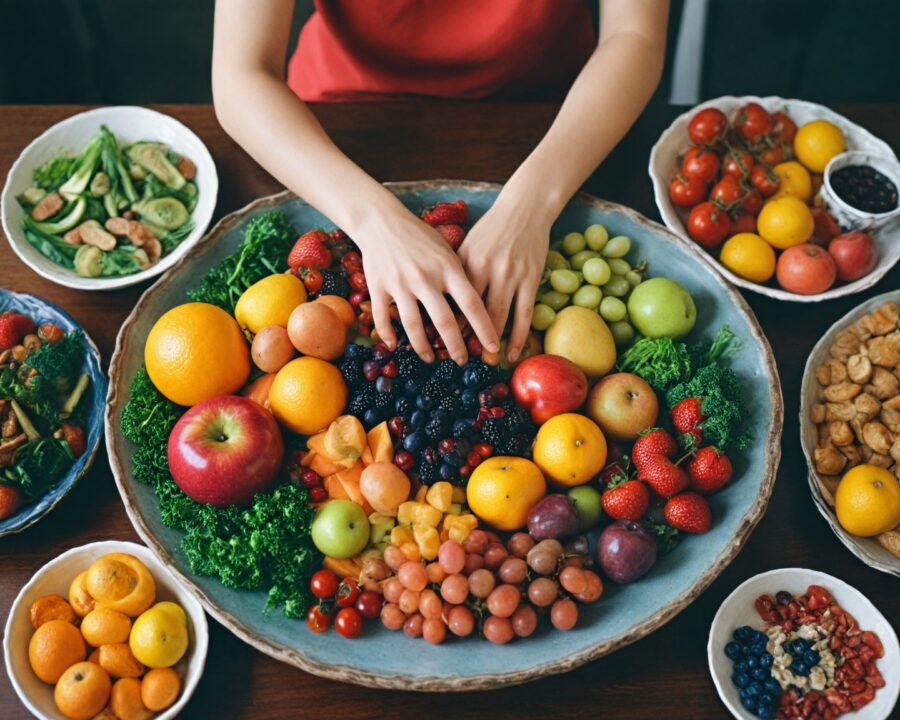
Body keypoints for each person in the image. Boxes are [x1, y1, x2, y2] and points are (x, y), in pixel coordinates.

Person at [212, 0, 669, 366]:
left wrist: (532, 204)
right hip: (339, 122)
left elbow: (634, 35)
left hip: (556, 114)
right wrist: (374, 220)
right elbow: (241, 75)